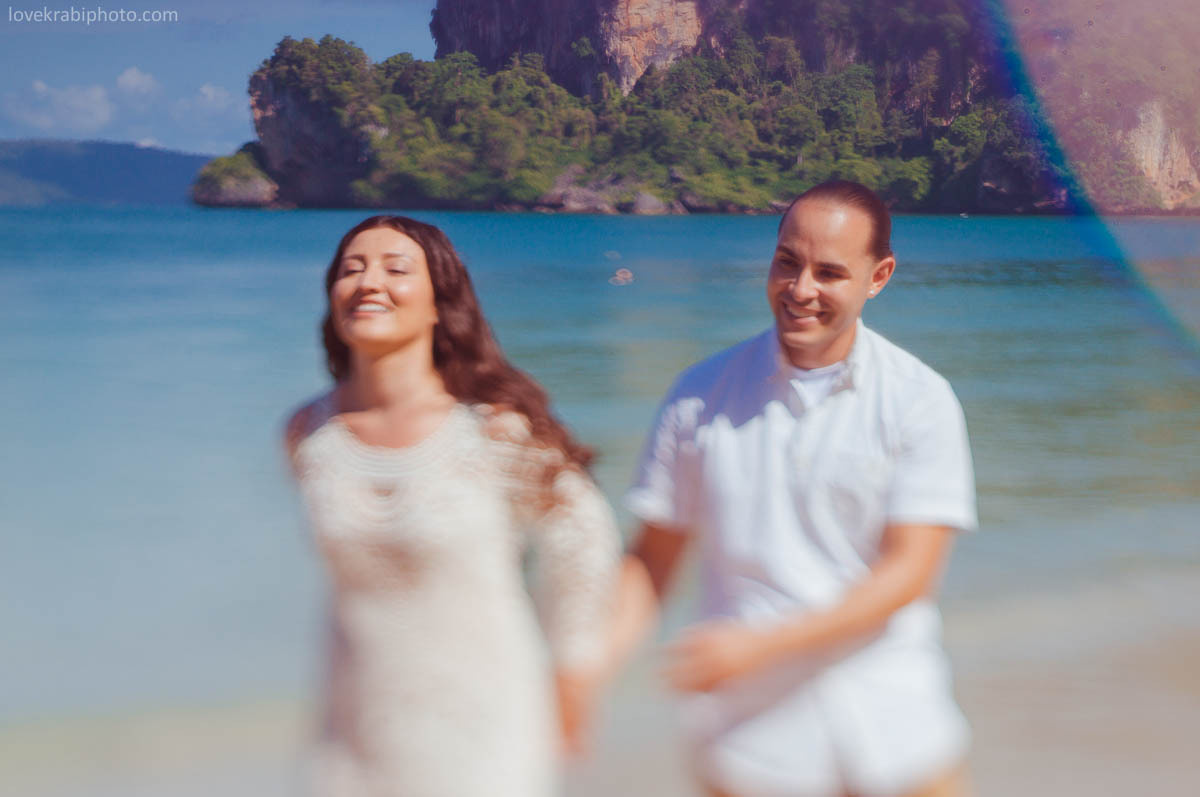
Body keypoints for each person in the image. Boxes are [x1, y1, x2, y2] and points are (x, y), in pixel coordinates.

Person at [614, 180, 978, 797]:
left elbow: (911, 573)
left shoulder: (919, 398)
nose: (800, 289)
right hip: (752, 746)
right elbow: (651, 560)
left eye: (830, 273)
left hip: (897, 730)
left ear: (879, 275)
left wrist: (761, 647)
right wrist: (578, 665)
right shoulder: (699, 395)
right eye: (788, 262)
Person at [283, 215, 621, 797]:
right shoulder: (309, 434)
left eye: (396, 269)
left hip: (485, 729)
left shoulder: (495, 432)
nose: (368, 282)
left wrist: (572, 677)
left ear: (441, 303)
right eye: (351, 268)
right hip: (354, 729)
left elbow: (584, 544)